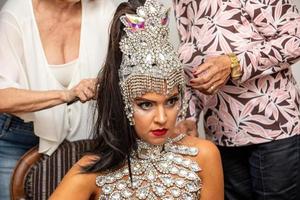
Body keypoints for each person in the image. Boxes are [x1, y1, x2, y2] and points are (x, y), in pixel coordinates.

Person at [49, 0, 224, 199]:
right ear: (123, 103)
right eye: (146, 104)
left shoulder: (204, 155)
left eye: (171, 101)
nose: (161, 118)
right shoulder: (93, 171)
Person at [174, 0, 300, 199]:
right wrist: (189, 116)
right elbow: (192, 60)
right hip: (220, 134)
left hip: (272, 129)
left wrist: (234, 63)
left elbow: (295, 38)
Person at [0, 0, 125, 199]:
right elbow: (2, 96)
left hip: (90, 139)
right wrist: (65, 95)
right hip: (20, 139)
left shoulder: (105, 10)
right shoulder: (15, 15)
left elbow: (134, 71)